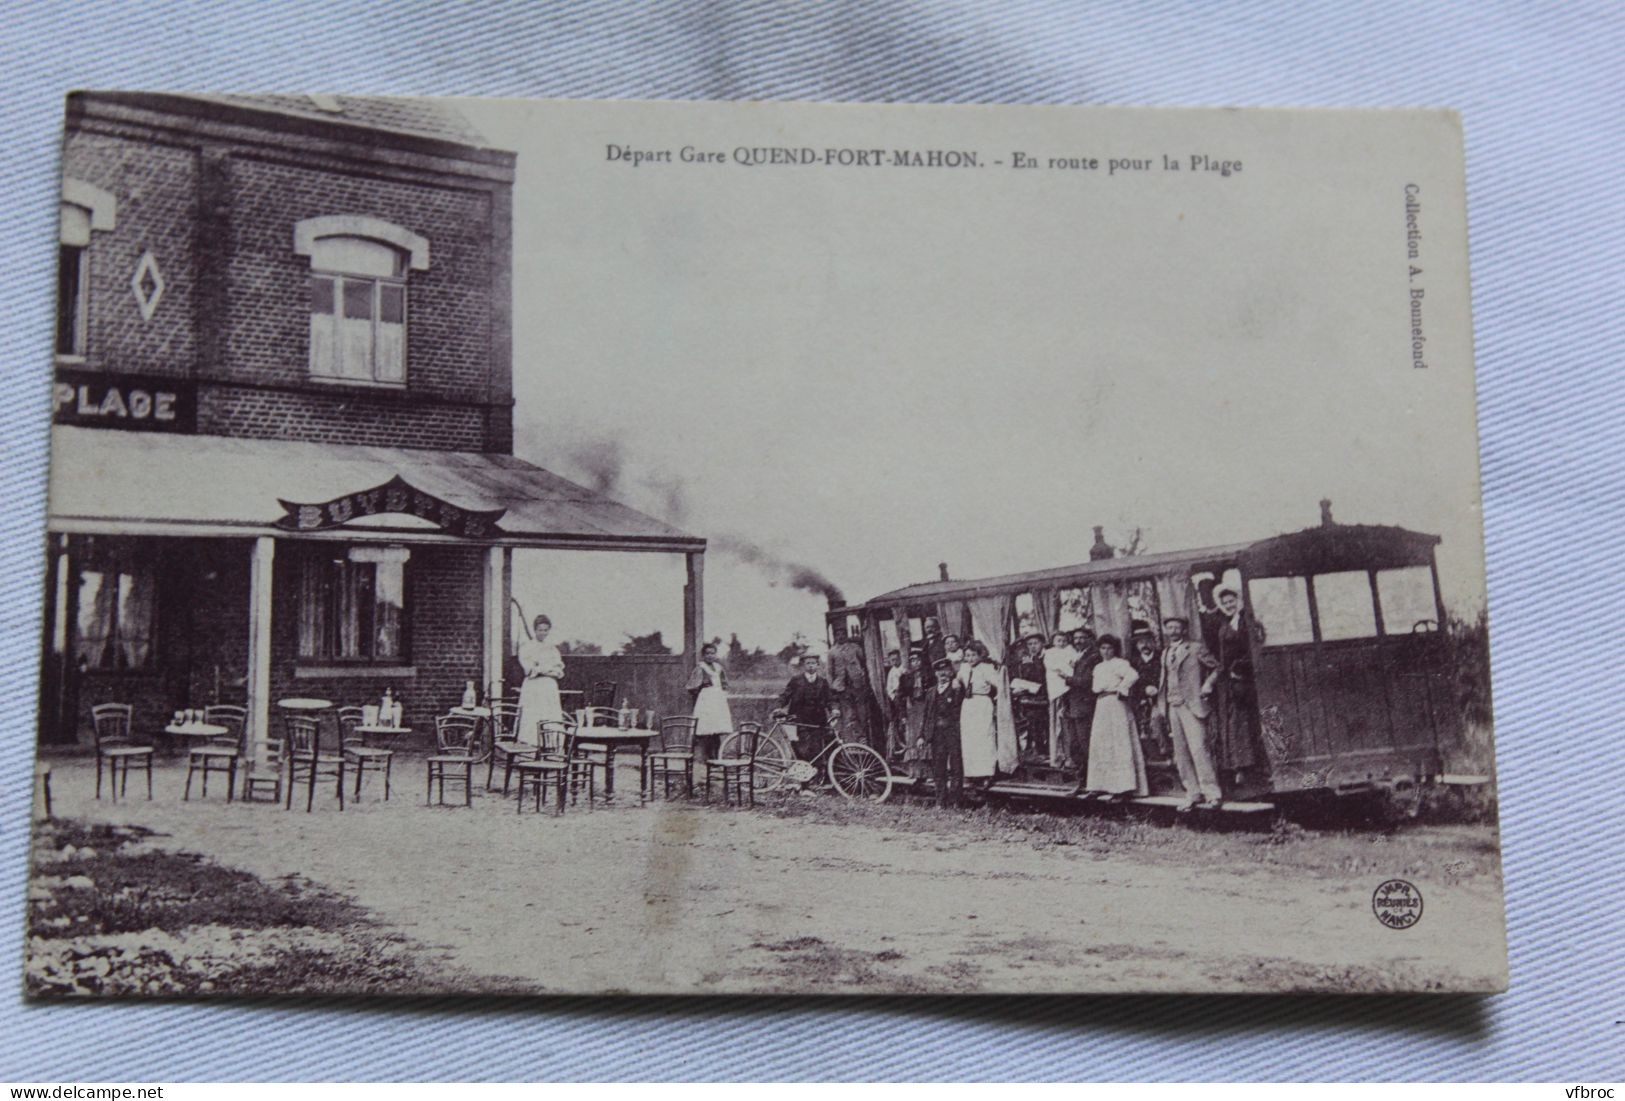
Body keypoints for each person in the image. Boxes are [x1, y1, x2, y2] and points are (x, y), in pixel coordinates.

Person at [1148, 614, 1223, 810]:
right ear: (1165, 631)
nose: (1173, 631)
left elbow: (1217, 667)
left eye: (1177, 627)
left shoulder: (1195, 648)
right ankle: (1193, 793)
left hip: (1192, 705)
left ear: (1184, 630)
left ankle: (1212, 793)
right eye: (1169, 628)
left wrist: (1207, 684)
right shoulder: (1165, 653)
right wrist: (1162, 703)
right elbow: (1165, 679)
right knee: (1181, 752)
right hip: (1172, 705)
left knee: (1198, 749)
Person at [1208, 585, 1264, 782]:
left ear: (1238, 600)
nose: (1228, 605)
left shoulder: (1247, 621)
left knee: (1248, 721)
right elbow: (1223, 654)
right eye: (1225, 603)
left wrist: (1240, 668)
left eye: (1231, 601)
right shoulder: (1225, 624)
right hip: (1231, 680)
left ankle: (1253, 766)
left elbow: (1255, 648)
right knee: (1235, 723)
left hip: (1246, 677)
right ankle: (1240, 766)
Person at [1083, 634, 1148, 799]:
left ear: (1115, 649)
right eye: (1103, 648)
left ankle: (1123, 787)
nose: (1106, 651)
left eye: (1109, 648)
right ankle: (1100, 785)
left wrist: (1122, 688)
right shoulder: (1098, 667)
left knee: (1118, 742)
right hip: (1101, 705)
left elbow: (1133, 675)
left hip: (1115, 703)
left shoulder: (1120, 663)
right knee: (1101, 743)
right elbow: (1095, 688)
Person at [515, 614, 565, 747]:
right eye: (540, 630)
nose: (543, 633)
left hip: (549, 687)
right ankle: (530, 748)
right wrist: (547, 668)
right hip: (533, 687)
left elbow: (559, 671)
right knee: (532, 717)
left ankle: (549, 747)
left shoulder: (552, 648)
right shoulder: (527, 647)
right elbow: (529, 670)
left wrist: (540, 668)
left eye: (545, 630)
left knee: (549, 716)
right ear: (535, 630)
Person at [921, 658, 965, 805]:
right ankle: (940, 800)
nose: (943, 674)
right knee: (938, 767)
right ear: (935, 674)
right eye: (940, 671)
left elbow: (960, 707)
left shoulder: (957, 688)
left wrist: (957, 689)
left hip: (953, 732)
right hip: (936, 734)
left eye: (946, 671)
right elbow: (926, 715)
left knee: (956, 766)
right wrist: (922, 735)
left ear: (951, 672)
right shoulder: (931, 692)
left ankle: (955, 800)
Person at [774, 653, 834, 761]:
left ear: (817, 665)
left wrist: (834, 709)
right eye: (808, 663)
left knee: (818, 747)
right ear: (803, 665)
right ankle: (802, 767)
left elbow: (829, 699)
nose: (810, 665)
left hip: (818, 720)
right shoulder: (796, 680)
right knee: (802, 746)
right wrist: (779, 707)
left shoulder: (823, 681)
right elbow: (785, 695)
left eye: (813, 663)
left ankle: (817, 769)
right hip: (800, 719)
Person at [957, 640, 1001, 784]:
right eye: (967, 655)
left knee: (984, 737)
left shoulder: (987, 668)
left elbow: (999, 684)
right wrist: (956, 682)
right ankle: (971, 773)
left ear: (980, 655)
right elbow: (957, 681)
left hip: (982, 703)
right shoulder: (963, 668)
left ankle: (987, 773)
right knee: (969, 738)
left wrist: (996, 700)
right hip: (968, 704)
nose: (970, 659)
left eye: (973, 655)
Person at [686, 641, 733, 776]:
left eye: (712, 653)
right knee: (706, 731)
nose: (710, 656)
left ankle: (716, 759)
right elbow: (691, 687)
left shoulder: (718, 668)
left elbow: (724, 684)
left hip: (718, 700)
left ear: (716, 655)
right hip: (706, 700)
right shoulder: (700, 668)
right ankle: (705, 761)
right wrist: (702, 690)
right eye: (707, 653)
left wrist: (721, 692)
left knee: (716, 731)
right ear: (703, 655)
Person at [1059, 627, 1099, 774]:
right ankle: (1082, 774)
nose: (1078, 641)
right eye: (1076, 638)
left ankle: (1090, 775)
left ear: (1090, 639)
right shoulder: (1075, 656)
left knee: (1085, 742)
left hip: (1085, 705)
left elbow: (1088, 681)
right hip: (1073, 706)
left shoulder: (1094, 657)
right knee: (1074, 743)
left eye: (1082, 638)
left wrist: (1067, 679)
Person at [828, 628, 875, 752]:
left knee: (862, 713)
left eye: (843, 634)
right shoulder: (832, 652)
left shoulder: (855, 648)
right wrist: (832, 687)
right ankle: (851, 744)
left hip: (857, 685)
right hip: (842, 687)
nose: (841, 636)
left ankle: (863, 740)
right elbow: (830, 671)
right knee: (848, 715)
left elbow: (864, 663)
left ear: (846, 635)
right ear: (835, 637)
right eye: (838, 634)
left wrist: (862, 678)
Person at [1009, 633, 1050, 763]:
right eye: (1030, 644)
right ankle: (1035, 751)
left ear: (1042, 644)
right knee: (1032, 724)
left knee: (1043, 725)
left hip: (1044, 696)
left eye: (1035, 643)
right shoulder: (1026, 660)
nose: (1033, 647)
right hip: (1030, 697)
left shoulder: (1047, 657)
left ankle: (1044, 751)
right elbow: (1024, 677)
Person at [1129, 631, 1167, 758]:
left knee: (1157, 720)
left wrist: (1158, 689)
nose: (1144, 645)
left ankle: (1165, 751)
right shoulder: (1133, 663)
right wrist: (1144, 690)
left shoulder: (1162, 658)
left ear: (1153, 642)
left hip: (1161, 698)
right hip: (1141, 701)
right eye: (1141, 642)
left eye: (1147, 641)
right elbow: (1131, 684)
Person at [1043, 631, 1079, 765]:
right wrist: (1062, 670)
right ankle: (1059, 755)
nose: (1061, 643)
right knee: (1057, 721)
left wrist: (1068, 668)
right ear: (1053, 642)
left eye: (1064, 640)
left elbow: (1074, 663)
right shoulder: (1049, 653)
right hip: (1057, 687)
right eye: (1058, 640)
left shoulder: (1070, 650)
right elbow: (1052, 667)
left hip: (1068, 686)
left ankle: (1069, 756)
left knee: (1067, 723)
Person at [900, 649, 931, 776]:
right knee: (912, 738)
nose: (915, 663)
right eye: (912, 661)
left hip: (924, 707)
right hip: (911, 709)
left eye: (917, 660)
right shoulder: (905, 677)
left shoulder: (929, 675)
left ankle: (927, 772)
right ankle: (915, 772)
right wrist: (902, 715)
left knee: (924, 735)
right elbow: (901, 696)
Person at [883, 648, 906, 759]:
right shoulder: (891, 672)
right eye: (892, 660)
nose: (895, 662)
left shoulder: (904, 669)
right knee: (897, 722)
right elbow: (889, 688)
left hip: (905, 696)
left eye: (897, 659)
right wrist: (894, 697)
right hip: (897, 699)